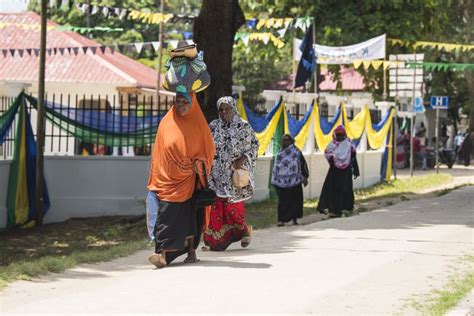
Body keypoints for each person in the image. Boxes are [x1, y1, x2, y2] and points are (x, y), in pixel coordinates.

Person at [147, 91, 215, 268]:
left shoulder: (199, 125)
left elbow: (208, 151)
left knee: (190, 218)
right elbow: (159, 152)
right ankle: (161, 254)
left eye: (186, 102)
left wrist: (198, 165)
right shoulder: (166, 123)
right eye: (178, 101)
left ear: (192, 104)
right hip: (168, 179)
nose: (181, 105)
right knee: (165, 216)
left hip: (190, 180)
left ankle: (191, 250)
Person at [203, 96, 259, 251]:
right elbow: (206, 145)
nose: (224, 112)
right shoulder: (213, 126)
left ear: (233, 109)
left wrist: (243, 158)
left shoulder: (243, 127)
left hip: (234, 175)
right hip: (217, 175)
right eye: (221, 109)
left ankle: (243, 231)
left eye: (227, 109)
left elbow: (254, 145)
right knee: (217, 206)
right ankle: (216, 239)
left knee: (233, 207)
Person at [317, 126, 359, 218]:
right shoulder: (332, 144)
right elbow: (327, 153)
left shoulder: (349, 144)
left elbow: (353, 157)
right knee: (332, 190)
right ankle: (333, 211)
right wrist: (333, 158)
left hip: (346, 172)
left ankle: (345, 209)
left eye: (341, 135)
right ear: (335, 135)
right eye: (338, 135)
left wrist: (356, 170)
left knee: (345, 190)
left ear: (345, 135)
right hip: (334, 172)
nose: (340, 137)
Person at [271, 134, 309, 226]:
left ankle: (294, 220)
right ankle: (281, 220)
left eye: (287, 140)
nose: (285, 142)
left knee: (295, 200)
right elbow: (276, 168)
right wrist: (275, 180)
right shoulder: (279, 154)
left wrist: (305, 177)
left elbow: (303, 164)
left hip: (295, 181)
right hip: (282, 182)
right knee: (283, 201)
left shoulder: (297, 152)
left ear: (291, 141)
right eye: (283, 140)